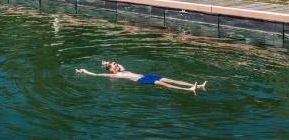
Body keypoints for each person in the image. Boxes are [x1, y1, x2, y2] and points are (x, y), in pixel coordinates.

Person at [76, 61, 206, 92]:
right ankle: (188, 90)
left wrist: (106, 62)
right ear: (111, 70)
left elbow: (119, 64)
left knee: (170, 79)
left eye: (115, 64)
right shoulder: (116, 76)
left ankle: (197, 85)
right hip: (141, 80)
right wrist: (84, 71)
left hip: (147, 75)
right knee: (164, 84)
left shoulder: (122, 70)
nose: (116, 65)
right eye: (114, 65)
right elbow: (97, 74)